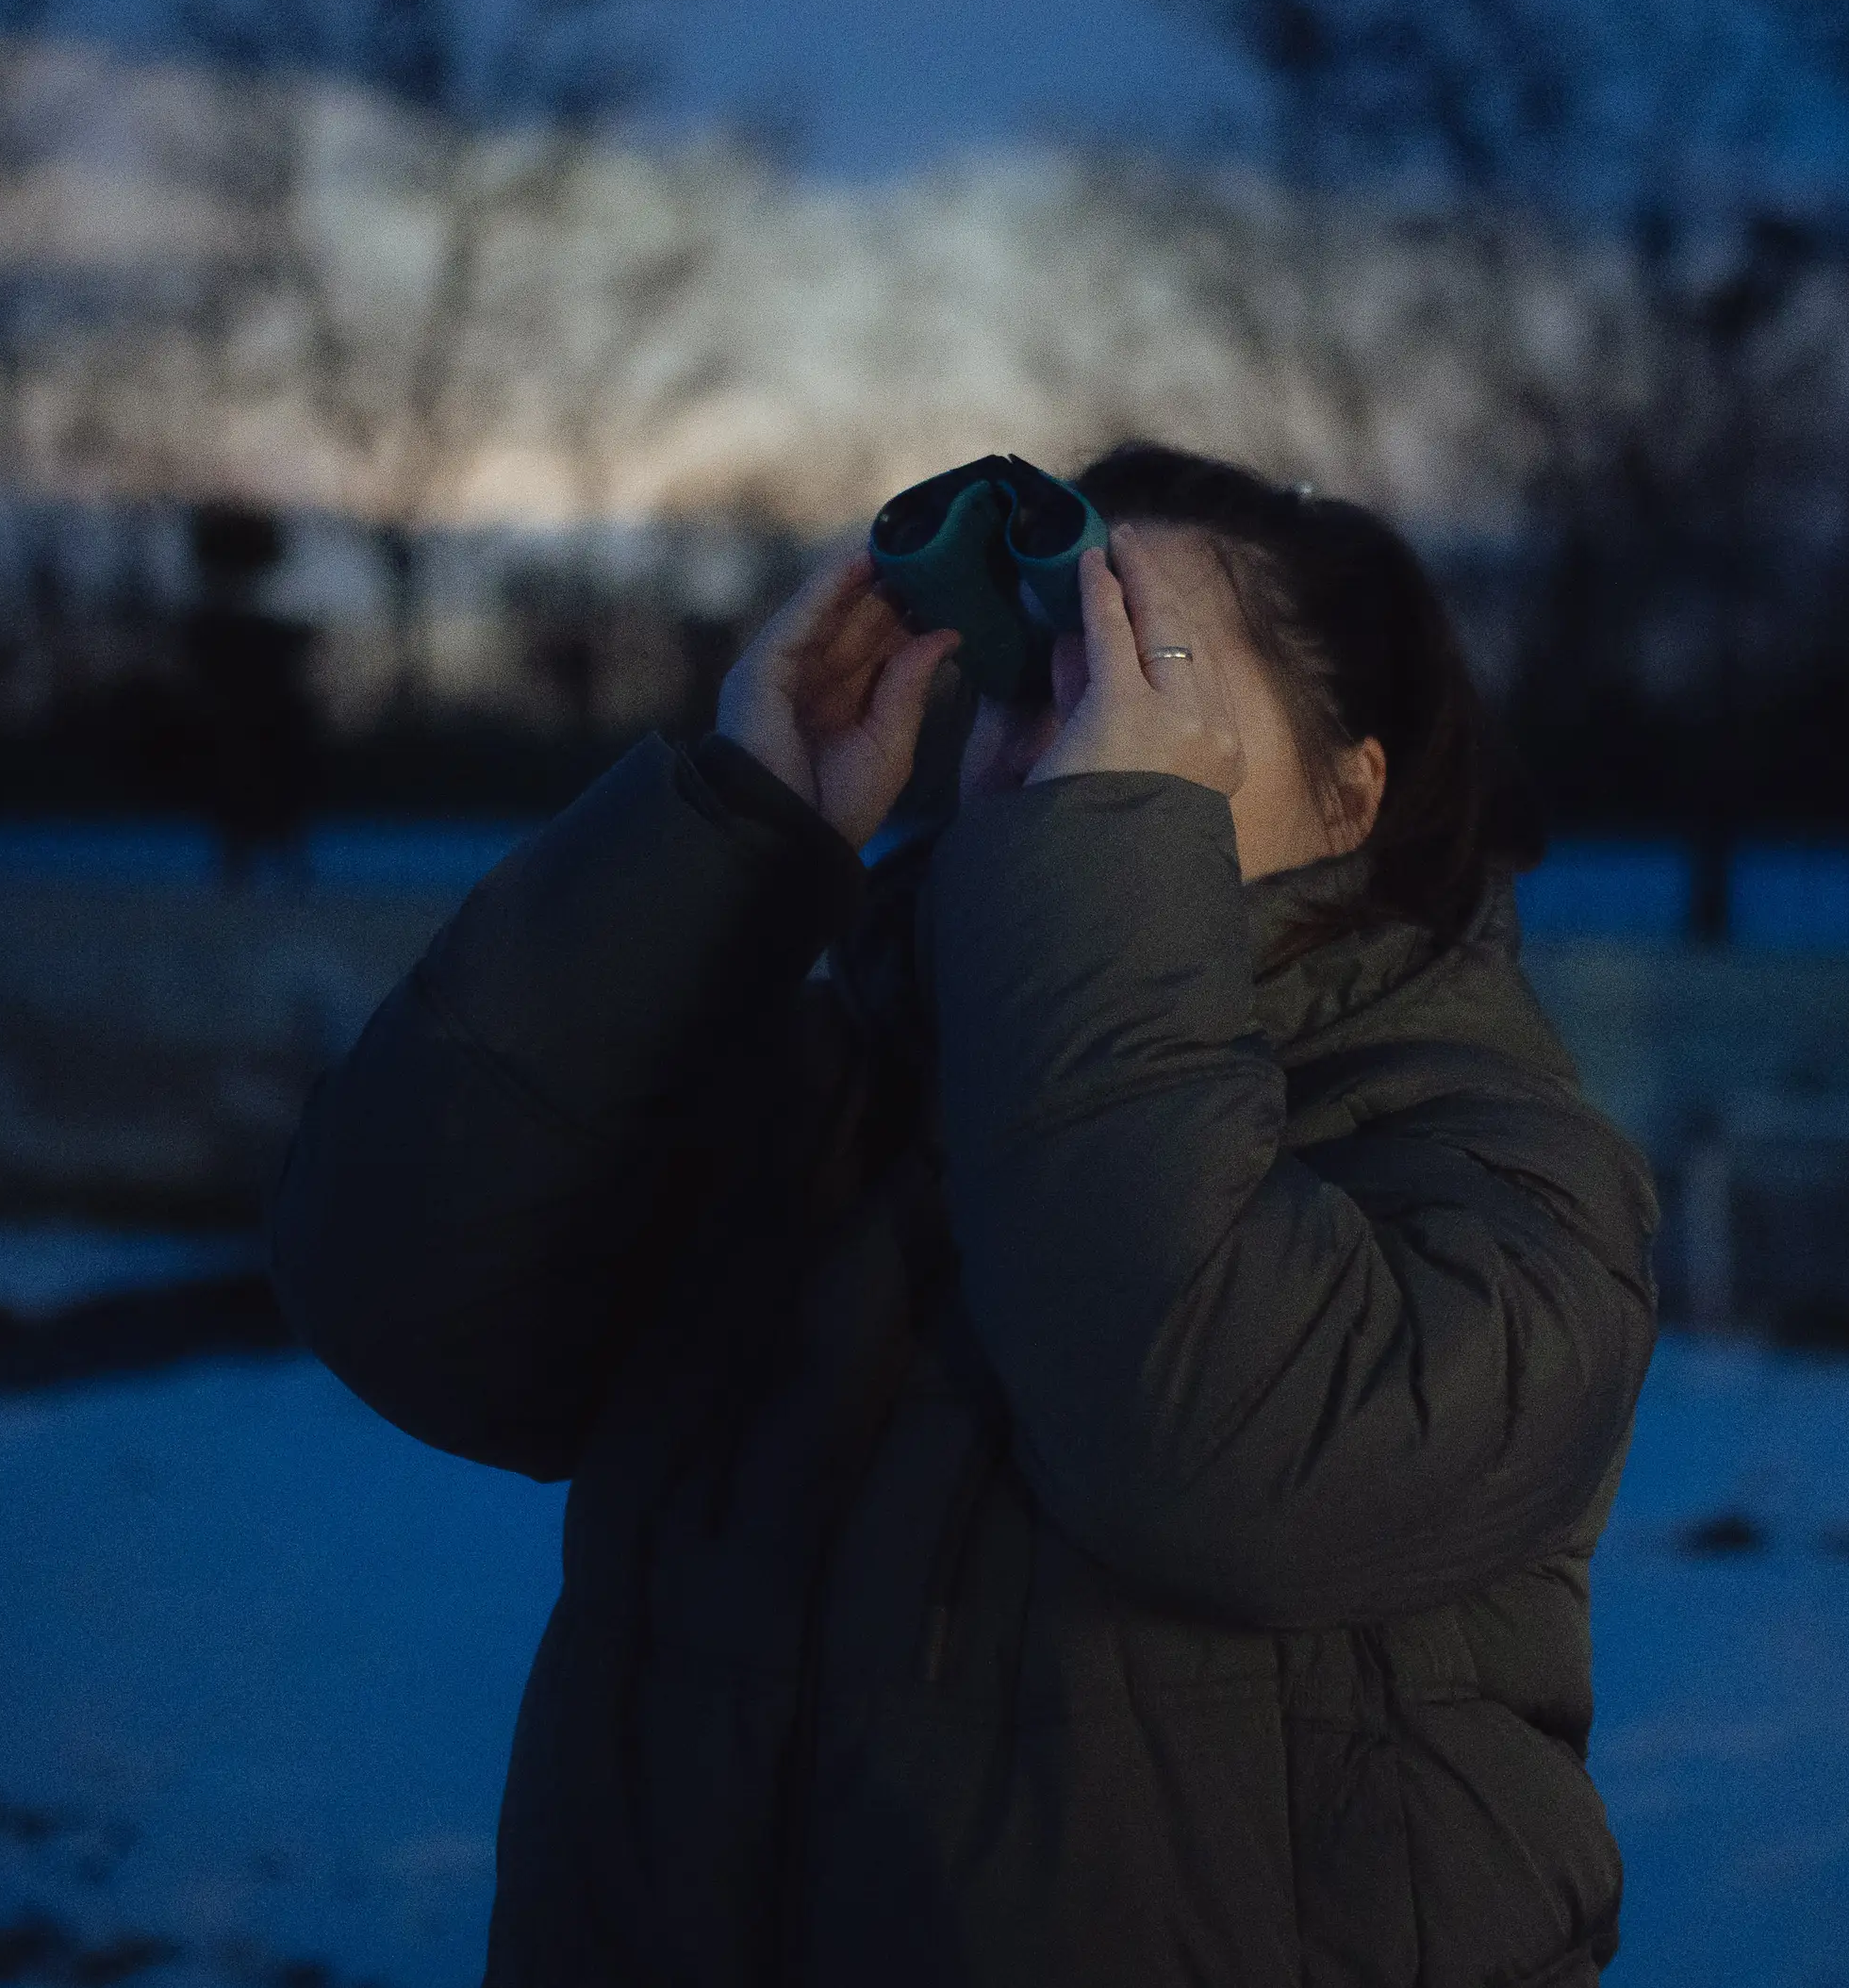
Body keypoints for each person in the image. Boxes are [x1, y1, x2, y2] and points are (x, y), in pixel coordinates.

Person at [270, 442, 1659, 1987]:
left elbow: (1212, 1442)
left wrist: (1110, 862)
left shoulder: (1505, 1174)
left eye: (1142, 669)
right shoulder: (820, 1094)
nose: (1048, 745)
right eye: (1030, 686)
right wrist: (732, 839)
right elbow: (396, 1287)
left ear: (1355, 790)